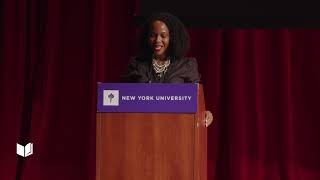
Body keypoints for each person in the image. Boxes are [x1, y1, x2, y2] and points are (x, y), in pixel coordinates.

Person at [122, 12, 213, 127]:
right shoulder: (136, 64)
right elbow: (123, 100)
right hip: (141, 129)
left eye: (163, 36)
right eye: (153, 35)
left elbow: (196, 103)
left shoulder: (186, 66)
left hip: (177, 130)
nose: (157, 40)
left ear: (172, 38)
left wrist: (205, 113)